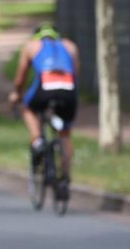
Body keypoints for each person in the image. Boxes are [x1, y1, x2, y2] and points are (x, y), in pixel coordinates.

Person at [8, 23, 79, 197]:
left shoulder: (32, 46)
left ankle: (38, 141)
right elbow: (76, 73)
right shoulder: (70, 46)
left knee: (28, 108)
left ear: (36, 36)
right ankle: (64, 179)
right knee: (65, 134)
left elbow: (21, 78)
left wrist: (16, 94)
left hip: (45, 88)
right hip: (68, 90)